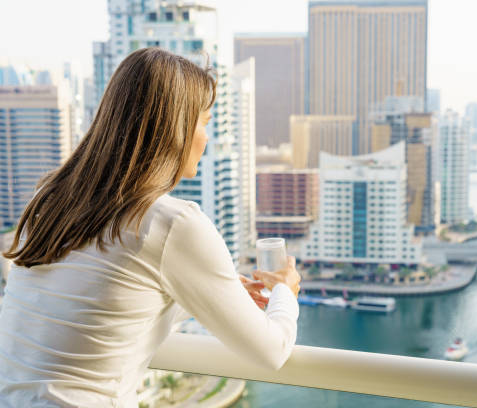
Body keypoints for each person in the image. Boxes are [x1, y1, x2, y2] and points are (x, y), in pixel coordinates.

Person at [0, 47, 301, 407]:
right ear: (177, 129)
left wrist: (216, 294)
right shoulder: (174, 223)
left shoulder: (51, 198)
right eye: (205, 122)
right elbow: (272, 351)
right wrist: (285, 292)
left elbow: (99, 310)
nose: (208, 137)